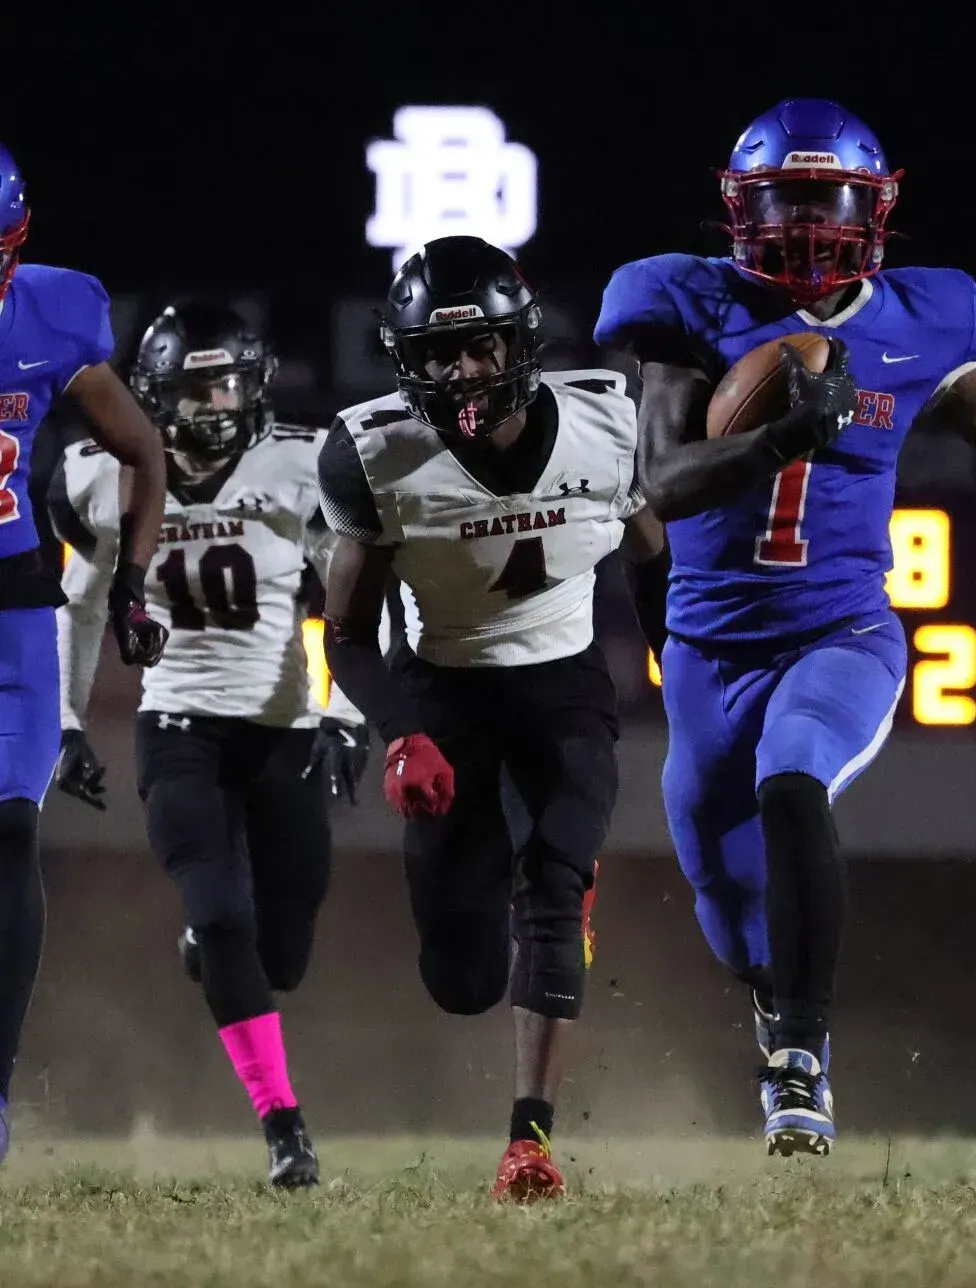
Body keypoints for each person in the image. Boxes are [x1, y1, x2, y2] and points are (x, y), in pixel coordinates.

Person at [592, 98, 976, 1156]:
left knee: (792, 775)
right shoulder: (685, 305)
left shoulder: (920, 320)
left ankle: (800, 1063)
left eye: (829, 201)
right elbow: (662, 483)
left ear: (875, 208)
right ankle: (778, 1008)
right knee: (723, 899)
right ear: (739, 206)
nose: (808, 224)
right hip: (707, 652)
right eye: (786, 199)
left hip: (840, 634)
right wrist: (779, 440)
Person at [317, 235, 668, 1202]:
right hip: (444, 691)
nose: (461, 372)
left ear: (520, 342)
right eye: (436, 354)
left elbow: (649, 555)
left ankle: (530, 1144)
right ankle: (519, 924)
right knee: (461, 976)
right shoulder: (376, 456)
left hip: (562, 686)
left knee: (554, 883)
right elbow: (343, 634)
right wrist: (400, 730)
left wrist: (676, 659)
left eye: (476, 350)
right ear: (407, 362)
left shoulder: (606, 424)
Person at [48, 300, 369, 1187]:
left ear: (256, 384)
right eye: (188, 391)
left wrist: (344, 711)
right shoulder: (104, 476)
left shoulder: (303, 465)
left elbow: (360, 596)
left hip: (282, 729)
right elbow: (77, 606)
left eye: (223, 384)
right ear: (151, 396)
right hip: (177, 723)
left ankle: (220, 951)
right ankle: (284, 1128)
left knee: (284, 954)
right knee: (219, 911)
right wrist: (69, 723)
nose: (207, 408)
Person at [0, 141, 170, 1167]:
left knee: (12, 834)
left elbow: (142, 449)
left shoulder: (53, 313)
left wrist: (132, 581)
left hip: (13, 607)